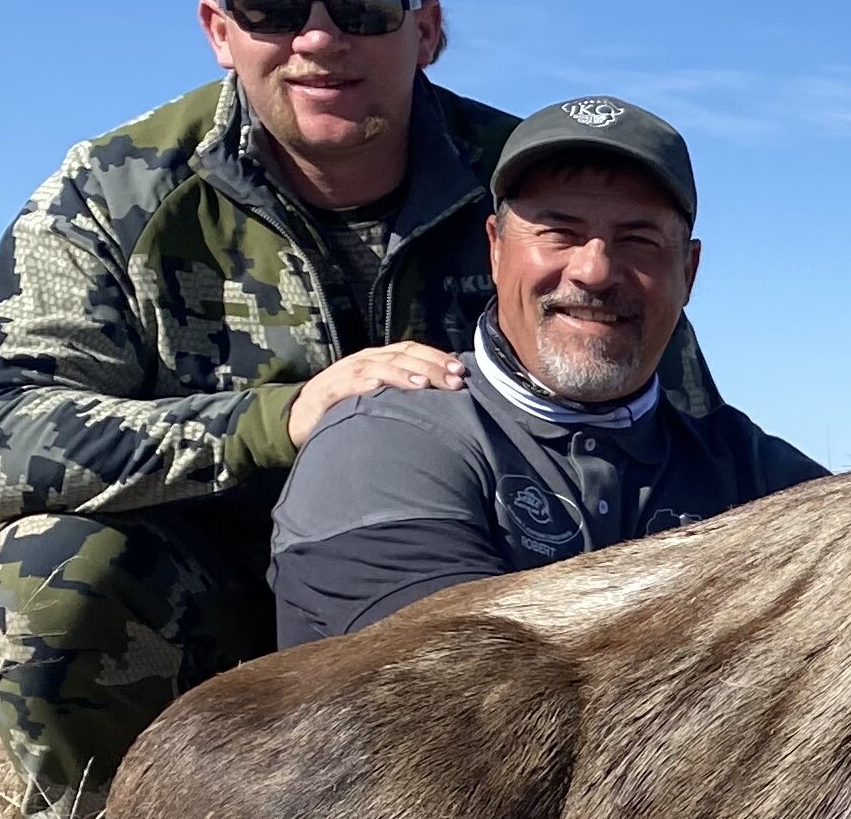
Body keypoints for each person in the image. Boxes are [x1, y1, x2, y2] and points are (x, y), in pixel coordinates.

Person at [0, 0, 723, 819]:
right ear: (220, 31)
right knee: (53, 574)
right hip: (211, 608)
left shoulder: (539, 188)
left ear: (424, 29)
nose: (316, 41)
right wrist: (274, 421)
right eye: (270, 10)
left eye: (361, 11)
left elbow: (678, 426)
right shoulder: (115, 186)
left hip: (480, 598)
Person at [270, 97, 821, 643]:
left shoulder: (754, 474)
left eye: (638, 239)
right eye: (559, 232)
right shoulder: (382, 439)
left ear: (689, 271)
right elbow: (461, 690)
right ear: (494, 249)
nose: (595, 270)